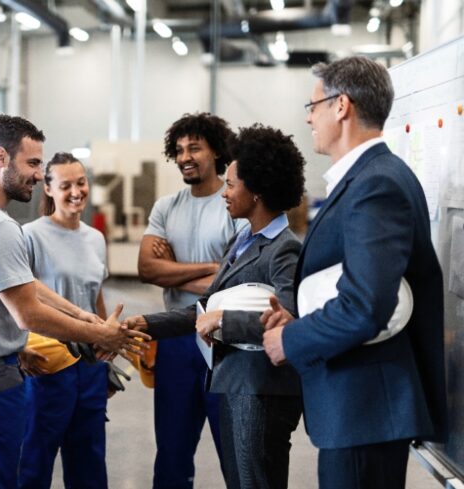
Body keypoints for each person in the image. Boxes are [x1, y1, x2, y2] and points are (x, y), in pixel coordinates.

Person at [261, 56, 447, 489]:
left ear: (340, 105)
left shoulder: (375, 184)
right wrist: (303, 318)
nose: (309, 116)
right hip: (362, 410)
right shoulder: (369, 178)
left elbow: (366, 306)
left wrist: (291, 339)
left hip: (366, 410)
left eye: (313, 105)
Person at [0, 114, 149, 488]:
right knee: (3, 475)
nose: (38, 175)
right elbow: (27, 312)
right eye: (33, 164)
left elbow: (25, 284)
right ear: (1, 157)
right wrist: (99, 335)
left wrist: (84, 317)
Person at [126, 124, 306, 489]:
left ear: (256, 191)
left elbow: (291, 320)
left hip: (260, 390)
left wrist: (225, 319)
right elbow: (204, 308)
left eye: (232, 184)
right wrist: (144, 323)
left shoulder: (283, 248)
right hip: (233, 380)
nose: (225, 192)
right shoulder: (242, 240)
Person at [137, 112, 246, 488]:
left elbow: (241, 282)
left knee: (236, 453)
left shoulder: (234, 203)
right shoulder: (166, 207)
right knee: (171, 454)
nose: (185, 155)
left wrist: (176, 267)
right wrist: (215, 269)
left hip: (224, 341)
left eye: (195, 147)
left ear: (216, 151)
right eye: (180, 149)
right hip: (176, 340)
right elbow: (148, 269)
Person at [18, 152, 111, 489]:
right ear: (48, 189)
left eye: (81, 182)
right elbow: (16, 299)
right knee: (33, 462)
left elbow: (95, 295)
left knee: (89, 461)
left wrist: (107, 343)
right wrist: (17, 348)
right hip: (46, 365)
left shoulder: (95, 239)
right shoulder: (30, 236)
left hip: (89, 367)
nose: (76, 192)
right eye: (66, 185)